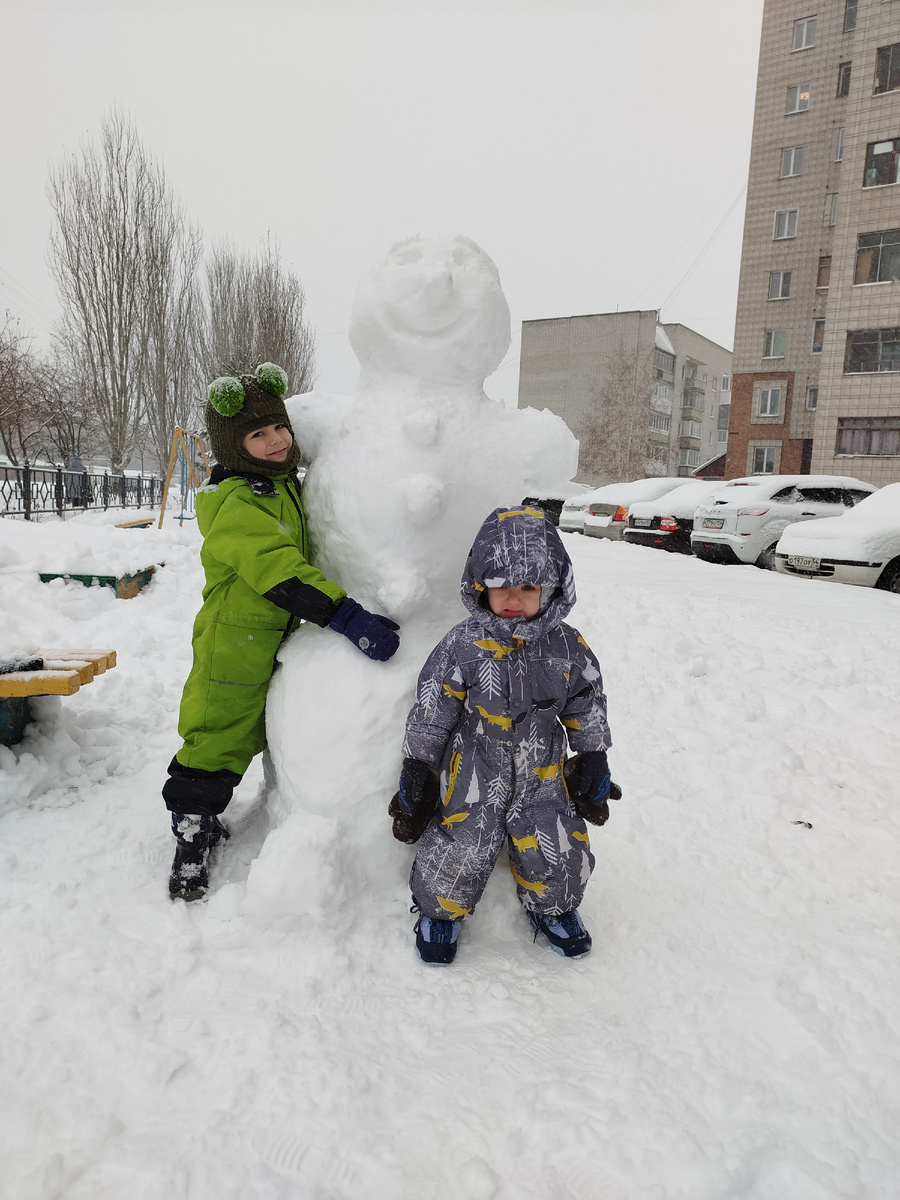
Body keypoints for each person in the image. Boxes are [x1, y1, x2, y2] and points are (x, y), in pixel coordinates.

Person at [165, 363, 400, 901]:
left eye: (280, 428)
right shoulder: (236, 503)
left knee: (247, 733)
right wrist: (345, 615)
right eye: (257, 434)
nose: (275, 441)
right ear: (234, 445)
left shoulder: (276, 486)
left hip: (270, 636)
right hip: (234, 641)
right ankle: (191, 836)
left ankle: (201, 818)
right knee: (217, 732)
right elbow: (276, 567)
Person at [390, 505, 618, 965]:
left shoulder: (567, 646)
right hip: (474, 767)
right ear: (481, 585)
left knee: (556, 843)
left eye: (528, 587)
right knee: (462, 843)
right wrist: (418, 764)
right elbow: (433, 707)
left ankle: (554, 907)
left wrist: (593, 752)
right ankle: (441, 911)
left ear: (552, 588)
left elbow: (587, 701)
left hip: (543, 768)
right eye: (501, 587)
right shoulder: (463, 644)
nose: (514, 598)